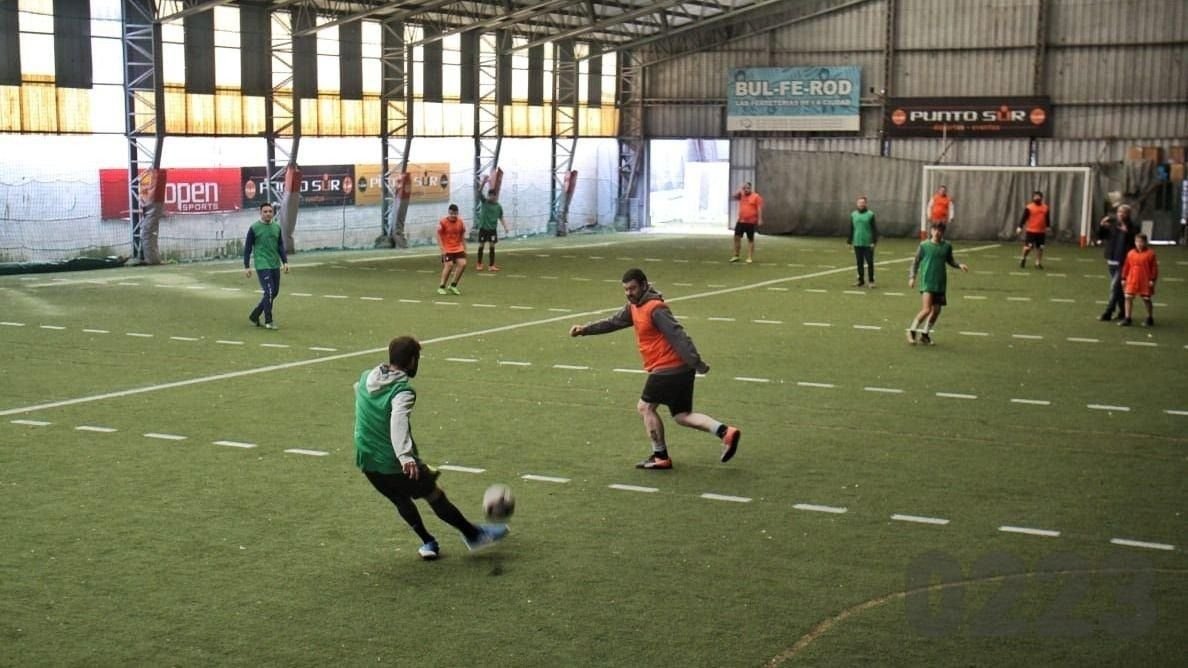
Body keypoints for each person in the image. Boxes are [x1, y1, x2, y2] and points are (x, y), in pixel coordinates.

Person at [568, 268, 741, 470]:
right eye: (625, 290)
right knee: (682, 415)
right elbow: (613, 322)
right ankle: (725, 432)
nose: (629, 293)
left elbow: (678, 335)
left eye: (632, 288)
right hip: (678, 370)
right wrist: (585, 330)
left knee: (645, 407)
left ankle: (660, 456)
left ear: (643, 285)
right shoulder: (634, 307)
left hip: (668, 367)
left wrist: (697, 362)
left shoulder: (655, 308)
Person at [354, 335, 509, 560]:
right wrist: (405, 457)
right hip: (394, 462)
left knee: (399, 499)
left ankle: (428, 542)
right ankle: (472, 535)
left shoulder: (367, 376)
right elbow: (398, 422)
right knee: (434, 495)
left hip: (366, 459)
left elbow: (357, 389)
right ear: (412, 361)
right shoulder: (402, 391)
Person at [907, 223, 969, 345]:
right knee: (926, 309)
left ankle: (925, 334)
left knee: (936, 310)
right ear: (931, 231)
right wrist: (912, 277)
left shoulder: (947, 246)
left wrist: (959, 265)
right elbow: (915, 262)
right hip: (927, 282)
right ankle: (911, 331)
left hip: (940, 283)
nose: (937, 232)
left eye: (940, 230)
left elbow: (950, 260)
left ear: (943, 232)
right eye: (935, 230)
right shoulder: (924, 246)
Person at [243, 202, 289, 330]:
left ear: (273, 213)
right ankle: (269, 321)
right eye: (265, 211)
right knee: (269, 292)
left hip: (274, 263)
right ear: (260, 212)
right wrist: (247, 266)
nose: (268, 213)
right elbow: (247, 248)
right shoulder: (254, 228)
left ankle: (255, 314)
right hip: (262, 264)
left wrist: (285, 262)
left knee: (274, 292)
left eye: (270, 211)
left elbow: (280, 246)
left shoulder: (277, 227)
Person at [1096, 204, 1138, 321]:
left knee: (1114, 287)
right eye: (1119, 212)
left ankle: (1108, 312)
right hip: (1111, 259)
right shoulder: (1113, 225)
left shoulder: (1133, 227)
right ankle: (1123, 311)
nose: (1120, 214)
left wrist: (1126, 232)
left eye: (1123, 212)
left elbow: (1136, 243)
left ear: (1128, 214)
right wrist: (1102, 226)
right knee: (1118, 288)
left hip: (1124, 261)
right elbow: (1101, 236)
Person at [1119, 233, 1158, 327]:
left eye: (1141, 242)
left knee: (1146, 299)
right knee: (1128, 297)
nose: (1139, 244)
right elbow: (1126, 266)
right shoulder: (1131, 253)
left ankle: (1149, 317)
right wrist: (1123, 277)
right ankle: (1127, 318)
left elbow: (1154, 268)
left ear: (1145, 242)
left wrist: (1152, 279)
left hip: (1145, 280)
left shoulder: (1150, 254)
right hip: (1132, 279)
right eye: (1137, 241)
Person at [475, 189, 510, 272]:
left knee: (492, 246)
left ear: (495, 196)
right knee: (481, 246)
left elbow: (501, 217)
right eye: (490, 195)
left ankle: (491, 266)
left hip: (492, 230)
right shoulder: (485, 202)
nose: (491, 197)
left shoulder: (498, 206)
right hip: (483, 228)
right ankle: (479, 264)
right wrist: (483, 182)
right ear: (488, 196)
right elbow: (479, 192)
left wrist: (505, 227)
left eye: (493, 196)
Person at [436, 203, 467, 295]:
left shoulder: (460, 222)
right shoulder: (443, 222)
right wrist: (442, 249)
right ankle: (441, 286)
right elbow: (438, 235)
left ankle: (453, 285)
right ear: (448, 213)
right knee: (449, 265)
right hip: (447, 249)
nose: (453, 216)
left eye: (455, 214)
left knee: (463, 264)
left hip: (458, 248)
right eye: (451, 213)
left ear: (457, 213)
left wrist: (465, 248)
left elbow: (462, 235)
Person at [848, 196, 879, 288]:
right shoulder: (853, 215)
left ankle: (871, 281)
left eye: (863, 202)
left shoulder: (870, 214)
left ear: (865, 204)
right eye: (859, 202)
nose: (861, 204)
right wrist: (849, 241)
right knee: (859, 262)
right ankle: (860, 280)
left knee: (869, 262)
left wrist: (873, 241)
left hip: (868, 243)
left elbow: (874, 229)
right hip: (857, 242)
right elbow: (851, 228)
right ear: (857, 204)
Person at [730, 182, 763, 263]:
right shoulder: (741, 195)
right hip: (741, 221)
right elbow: (733, 197)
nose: (746, 190)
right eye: (745, 188)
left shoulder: (756, 197)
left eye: (748, 188)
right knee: (736, 237)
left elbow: (759, 208)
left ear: (750, 188)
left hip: (750, 222)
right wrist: (739, 191)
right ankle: (736, 255)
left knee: (750, 240)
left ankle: (749, 257)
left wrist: (760, 219)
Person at [1016, 190, 1050, 269]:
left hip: (1041, 232)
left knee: (1040, 247)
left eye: (1038, 196)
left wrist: (1048, 226)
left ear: (1041, 198)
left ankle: (1037, 263)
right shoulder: (1029, 207)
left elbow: (1047, 218)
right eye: (1035, 196)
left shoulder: (1045, 207)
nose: (1036, 198)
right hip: (1031, 231)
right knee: (1028, 247)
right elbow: (1024, 218)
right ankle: (1023, 258)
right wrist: (1019, 227)